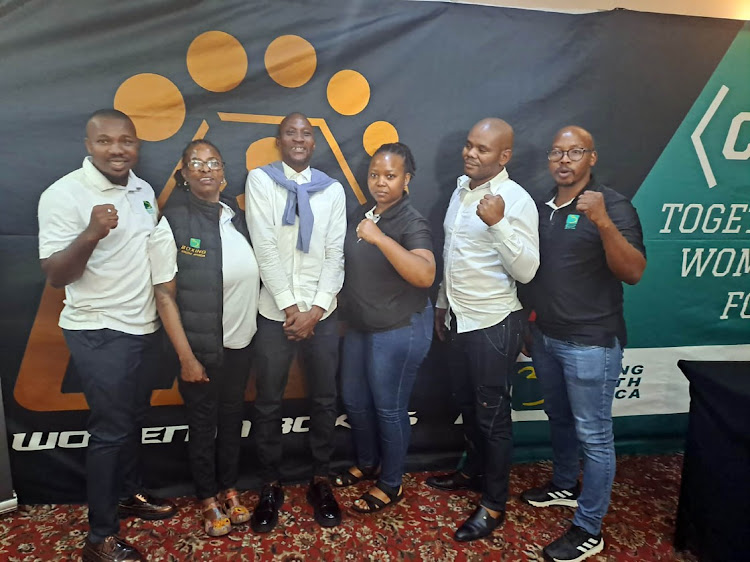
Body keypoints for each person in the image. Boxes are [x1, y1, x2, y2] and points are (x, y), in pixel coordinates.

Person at [37, 109, 176, 562]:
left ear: (137, 145)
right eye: (105, 141)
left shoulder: (143, 190)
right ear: (88, 144)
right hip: (99, 329)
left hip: (142, 326)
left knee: (132, 421)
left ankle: (128, 494)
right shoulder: (63, 194)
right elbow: (57, 275)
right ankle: (99, 539)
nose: (117, 149)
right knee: (111, 432)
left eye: (127, 141)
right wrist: (91, 234)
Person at [520, 126, 646, 562]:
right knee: (559, 418)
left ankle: (589, 529)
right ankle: (563, 485)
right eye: (557, 151)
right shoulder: (541, 208)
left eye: (575, 152)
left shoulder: (611, 204)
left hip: (592, 341)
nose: (564, 159)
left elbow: (633, 271)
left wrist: (603, 222)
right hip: (546, 336)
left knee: (595, 435)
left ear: (591, 158)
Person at [426, 117, 539, 542]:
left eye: (483, 149)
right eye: (469, 145)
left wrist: (498, 223)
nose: (471, 153)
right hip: (458, 319)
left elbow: (527, 271)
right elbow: (452, 255)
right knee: (469, 407)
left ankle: (494, 503)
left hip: (494, 322)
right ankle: (474, 474)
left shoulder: (515, 200)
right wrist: (441, 305)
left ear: (504, 156)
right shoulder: (460, 191)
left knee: (493, 418)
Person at [148, 140, 260, 537]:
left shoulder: (235, 215)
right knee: (202, 425)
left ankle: (229, 488)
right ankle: (208, 498)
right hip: (200, 350)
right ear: (184, 173)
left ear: (224, 172)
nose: (206, 169)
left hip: (240, 344)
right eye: (197, 163)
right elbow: (164, 295)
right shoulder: (173, 221)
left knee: (231, 422)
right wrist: (186, 357)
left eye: (213, 162)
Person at [244, 112, 346, 532]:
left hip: (322, 313)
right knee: (268, 401)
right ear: (279, 140)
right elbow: (263, 247)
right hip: (275, 313)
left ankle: (320, 478)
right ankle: (271, 482)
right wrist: (291, 309)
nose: (299, 139)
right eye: (291, 133)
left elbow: (336, 254)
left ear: (314, 143)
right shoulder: (261, 181)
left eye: (306, 134)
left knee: (324, 400)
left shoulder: (333, 189)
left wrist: (316, 310)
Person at [333, 143, 435, 512]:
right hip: (362, 325)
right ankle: (366, 462)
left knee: (389, 408)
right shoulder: (365, 212)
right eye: (375, 174)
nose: (380, 182)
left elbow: (424, 274)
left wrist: (380, 238)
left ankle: (392, 483)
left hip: (399, 327)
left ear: (406, 180)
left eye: (390, 176)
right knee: (355, 401)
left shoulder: (411, 220)